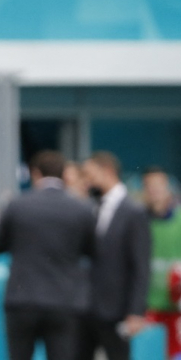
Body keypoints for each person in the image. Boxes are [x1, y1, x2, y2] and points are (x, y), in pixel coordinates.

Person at [0, 150, 96, 360]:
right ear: (64, 174)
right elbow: (92, 250)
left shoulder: (17, 205)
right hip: (64, 302)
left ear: (35, 173)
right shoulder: (81, 209)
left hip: (22, 300)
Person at [78, 151, 151, 360]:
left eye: (90, 174)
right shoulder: (91, 207)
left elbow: (140, 264)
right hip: (85, 308)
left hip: (117, 310)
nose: (87, 180)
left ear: (107, 171)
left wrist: (136, 311)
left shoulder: (134, 211)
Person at [141, 166, 181, 358]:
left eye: (159, 185)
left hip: (177, 308)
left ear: (168, 187)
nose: (154, 190)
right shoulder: (138, 221)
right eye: (149, 186)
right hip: (148, 307)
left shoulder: (180, 220)